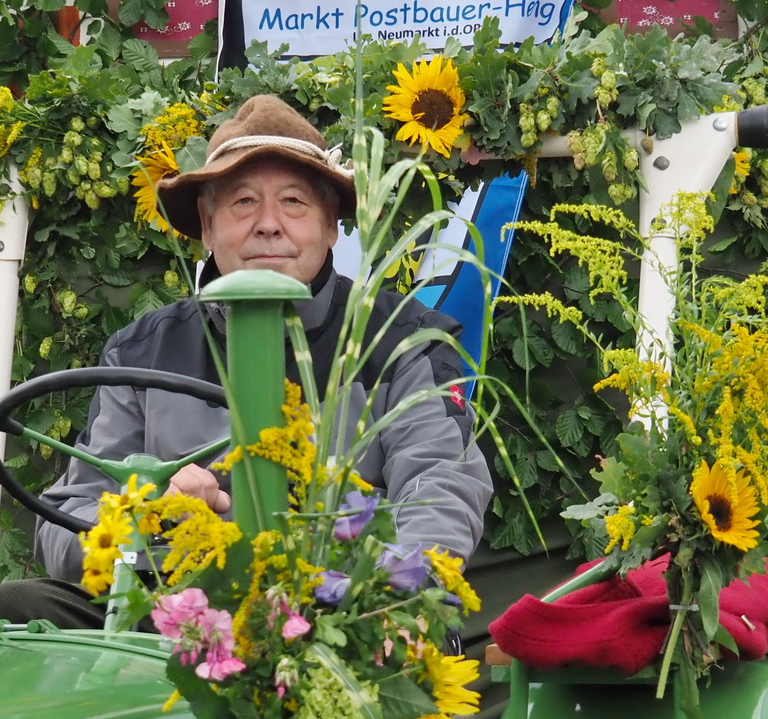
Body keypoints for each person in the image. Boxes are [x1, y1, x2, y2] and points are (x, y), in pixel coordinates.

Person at [33, 94, 492, 585]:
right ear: (207, 226)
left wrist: (361, 595)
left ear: (331, 224)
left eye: (293, 202)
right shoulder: (140, 353)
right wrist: (150, 512)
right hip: (171, 625)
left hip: (336, 613)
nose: (269, 225)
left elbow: (439, 493)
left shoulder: (404, 342)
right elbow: (66, 525)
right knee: (19, 606)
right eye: (243, 202)